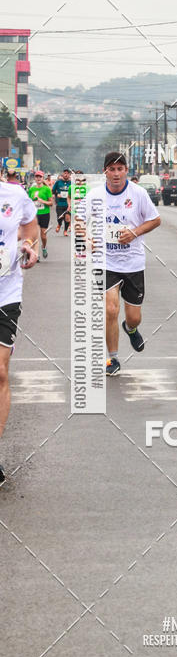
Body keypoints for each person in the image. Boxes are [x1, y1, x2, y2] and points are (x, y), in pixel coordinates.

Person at [99, 152, 161, 376]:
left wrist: (134, 233)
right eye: (111, 169)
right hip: (106, 261)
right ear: (104, 171)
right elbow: (80, 221)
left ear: (126, 171)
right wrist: (85, 236)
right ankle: (112, 358)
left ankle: (131, 328)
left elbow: (155, 220)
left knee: (133, 315)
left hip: (133, 263)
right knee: (110, 309)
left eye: (120, 169)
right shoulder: (95, 195)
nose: (116, 173)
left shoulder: (139, 193)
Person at [0, 178, 38, 482]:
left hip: (6, 294)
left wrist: (28, 245)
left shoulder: (14, 194)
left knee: (0, 371)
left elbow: (29, 226)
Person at [27, 170, 53, 259]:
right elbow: (28, 202)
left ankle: (44, 247)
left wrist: (42, 201)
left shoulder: (46, 189)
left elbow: (51, 203)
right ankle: (35, 254)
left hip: (44, 214)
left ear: (42, 178)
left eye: (40, 177)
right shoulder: (31, 189)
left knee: (43, 235)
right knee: (35, 235)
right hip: (34, 215)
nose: (38, 178)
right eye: (37, 177)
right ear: (35, 178)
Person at [52, 167, 71, 235]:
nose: (66, 175)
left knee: (67, 218)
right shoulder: (58, 182)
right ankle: (59, 224)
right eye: (65, 173)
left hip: (68, 204)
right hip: (60, 203)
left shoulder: (71, 183)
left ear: (69, 175)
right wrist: (57, 194)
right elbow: (53, 191)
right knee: (60, 216)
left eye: (67, 173)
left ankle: (65, 231)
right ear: (62, 174)